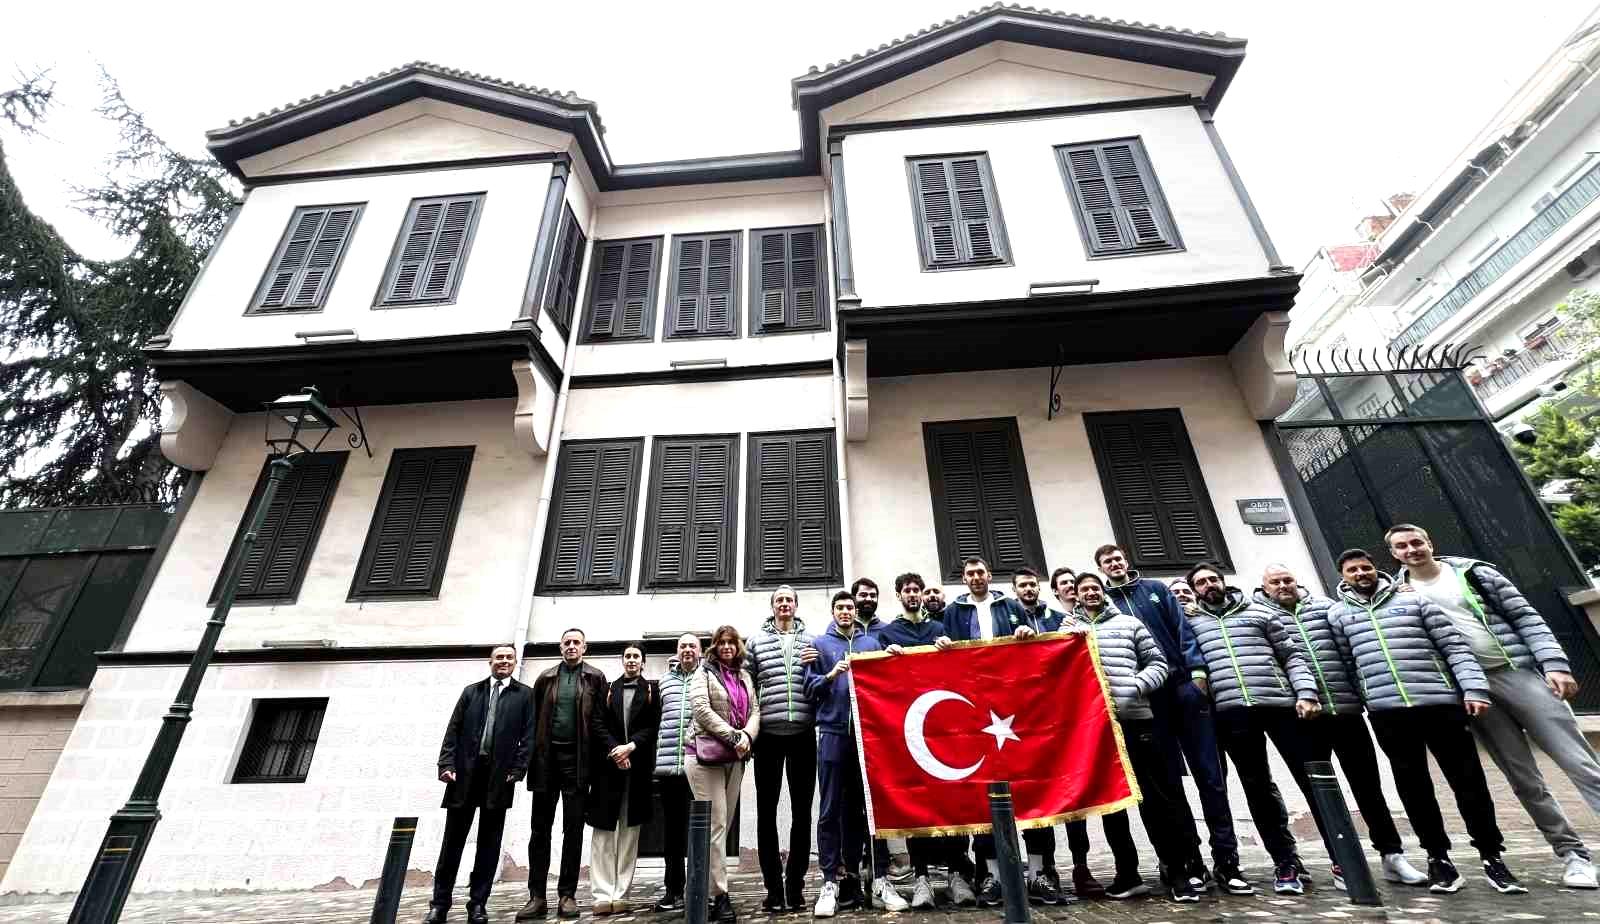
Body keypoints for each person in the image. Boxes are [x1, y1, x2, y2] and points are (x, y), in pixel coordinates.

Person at [1389, 524, 1600, 889]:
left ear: (1430, 543)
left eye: (1416, 542)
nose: (1411, 550)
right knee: (1524, 780)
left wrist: (1554, 663)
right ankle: (1572, 855)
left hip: (1516, 672)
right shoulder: (1395, 592)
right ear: (1393, 554)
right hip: (1473, 691)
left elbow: (1525, 616)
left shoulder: (1474, 573)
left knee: (1579, 762)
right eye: (1402, 546)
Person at [1327, 549, 1526, 895]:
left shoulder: (1415, 601)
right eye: (1352, 569)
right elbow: (1347, 662)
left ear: (1376, 569)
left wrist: (1473, 688)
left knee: (1468, 781)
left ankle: (1492, 857)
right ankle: (1438, 859)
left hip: (1440, 704)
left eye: (1366, 567)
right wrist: (1369, 697)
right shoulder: (1338, 615)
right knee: (1413, 787)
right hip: (1388, 713)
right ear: (1342, 576)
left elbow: (1453, 646)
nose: (1360, 573)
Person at [1252, 563, 1427, 889]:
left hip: (1345, 710)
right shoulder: (1260, 617)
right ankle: (1341, 861)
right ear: (1264, 588)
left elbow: (1351, 651)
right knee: (1318, 794)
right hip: (1300, 718)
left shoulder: (1327, 608)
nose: (1283, 585)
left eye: (1288, 578)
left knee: (1368, 787)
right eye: (1275, 581)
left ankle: (1392, 855)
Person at [1094, 543, 1235, 893]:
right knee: (1168, 784)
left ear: (1126, 560)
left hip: (1184, 690)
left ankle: (1228, 859)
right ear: (1100, 568)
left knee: (1210, 777)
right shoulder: (1106, 608)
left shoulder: (1155, 590)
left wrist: (1198, 672)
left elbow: (1183, 630)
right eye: (1106, 561)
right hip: (1148, 703)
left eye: (1117, 558)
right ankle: (1190, 860)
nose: (1114, 563)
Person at [1064, 573, 1199, 903]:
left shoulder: (1130, 624)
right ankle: (1127, 873)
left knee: (1157, 801)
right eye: (1085, 590)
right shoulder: (1068, 631)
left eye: (1096, 588)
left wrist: (1137, 686)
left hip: (1138, 721)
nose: (1091, 593)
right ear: (1077, 597)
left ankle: (1177, 872)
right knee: (1112, 805)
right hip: (1097, 731)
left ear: (1102, 592)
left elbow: (1158, 662)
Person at [1184, 562, 1317, 896]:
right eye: (1201, 582)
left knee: (1311, 782)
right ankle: (1285, 862)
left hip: (1281, 706)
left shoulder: (1259, 613)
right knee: (1258, 788)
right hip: (1232, 715)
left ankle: (1342, 857)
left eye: (1213, 578)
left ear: (1223, 582)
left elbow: (1292, 656)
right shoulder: (1192, 622)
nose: (1209, 585)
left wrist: (1306, 692)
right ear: (1195, 589)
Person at [807, 591, 908, 916]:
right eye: (840, 608)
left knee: (872, 809)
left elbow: (890, 684)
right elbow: (810, 689)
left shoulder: (871, 643)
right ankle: (830, 882)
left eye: (850, 607)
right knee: (830, 809)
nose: (846, 612)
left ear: (855, 611)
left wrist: (893, 658)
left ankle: (879, 879)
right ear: (833, 612)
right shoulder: (820, 645)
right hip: (834, 733)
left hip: (868, 737)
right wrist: (831, 674)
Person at [879, 572, 976, 909]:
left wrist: (950, 652)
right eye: (907, 590)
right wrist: (884, 657)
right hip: (909, 733)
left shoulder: (939, 630)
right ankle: (921, 878)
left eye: (917, 590)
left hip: (944, 729)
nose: (913, 594)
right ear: (899, 595)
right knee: (916, 803)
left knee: (953, 798)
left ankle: (955, 876)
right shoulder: (888, 633)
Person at [427, 645, 535, 924]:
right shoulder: (471, 692)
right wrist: (446, 765)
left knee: (489, 845)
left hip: (499, 778)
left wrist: (518, 769)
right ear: (490, 662)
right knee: (452, 843)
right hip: (464, 775)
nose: (504, 661)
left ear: (514, 662)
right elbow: (453, 729)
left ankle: (478, 904)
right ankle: (439, 904)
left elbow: (529, 735)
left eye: (509, 658)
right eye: (499, 657)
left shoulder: (524, 695)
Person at [1052, 567, 1139, 900]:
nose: (1077, 591)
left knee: (1113, 797)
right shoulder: (1060, 627)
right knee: (1076, 801)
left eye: (1083, 586)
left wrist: (1133, 688)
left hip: (1111, 721)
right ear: (1059, 592)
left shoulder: (1115, 624)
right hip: (1073, 728)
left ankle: (1128, 871)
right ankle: (1080, 868)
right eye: (1070, 586)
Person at [519, 629, 609, 921]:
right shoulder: (545, 678)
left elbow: (599, 723)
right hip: (546, 760)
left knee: (573, 830)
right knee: (539, 830)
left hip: (578, 762)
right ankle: (536, 896)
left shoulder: (594, 677)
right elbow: (532, 723)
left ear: (585, 647)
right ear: (561, 646)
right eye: (567, 642)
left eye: (576, 643)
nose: (571, 646)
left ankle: (567, 895)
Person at [746, 586, 817, 912]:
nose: (784, 604)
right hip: (769, 737)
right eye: (779, 600)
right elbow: (743, 686)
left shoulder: (811, 641)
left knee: (802, 815)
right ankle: (773, 889)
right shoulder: (756, 642)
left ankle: (796, 886)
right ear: (772, 606)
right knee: (766, 814)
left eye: (789, 600)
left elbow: (822, 678)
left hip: (803, 733)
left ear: (796, 606)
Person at [1002, 566, 1066, 904]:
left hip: (1046, 719)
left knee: (1043, 795)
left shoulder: (1057, 618)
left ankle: (1042, 872)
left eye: (1032, 584)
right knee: (1000, 798)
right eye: (1022, 585)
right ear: (1014, 590)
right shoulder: (1004, 617)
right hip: (1004, 719)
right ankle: (999, 876)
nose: (1028, 588)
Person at [689, 625, 760, 924]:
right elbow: (701, 710)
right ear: (715, 646)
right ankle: (720, 896)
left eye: (732, 642)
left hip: (736, 757)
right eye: (722, 642)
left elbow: (756, 709)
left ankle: (700, 889)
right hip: (705, 758)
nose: (727, 647)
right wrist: (734, 735)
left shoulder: (744, 676)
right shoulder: (702, 673)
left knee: (721, 828)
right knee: (716, 826)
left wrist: (748, 736)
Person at [588, 643, 661, 915]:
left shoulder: (651, 691)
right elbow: (597, 723)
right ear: (622, 661)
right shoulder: (608, 689)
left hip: (637, 770)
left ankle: (621, 894)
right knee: (604, 834)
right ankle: (601, 894)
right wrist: (616, 750)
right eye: (628, 656)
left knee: (629, 836)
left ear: (643, 662)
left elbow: (653, 726)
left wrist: (631, 747)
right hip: (608, 770)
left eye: (636, 657)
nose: (632, 660)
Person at [649, 633, 702, 913]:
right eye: (683, 646)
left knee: (699, 832)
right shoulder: (664, 683)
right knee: (672, 833)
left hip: (699, 766)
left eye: (692, 646)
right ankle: (673, 891)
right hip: (669, 768)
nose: (687, 650)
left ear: (700, 651)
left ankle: (698, 888)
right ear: (676, 651)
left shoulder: (706, 678)